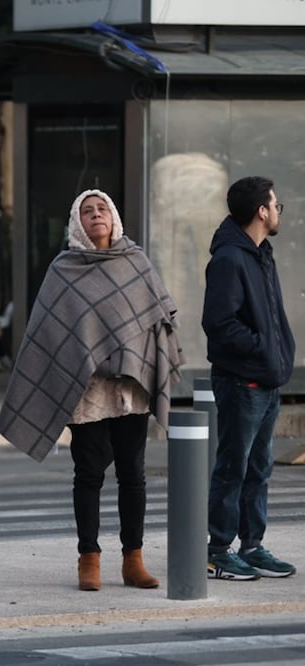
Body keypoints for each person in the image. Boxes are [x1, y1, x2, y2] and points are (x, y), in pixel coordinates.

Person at [0, 189, 183, 591]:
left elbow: (158, 320)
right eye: (87, 211)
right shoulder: (64, 269)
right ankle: (89, 559)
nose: (96, 215)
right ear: (75, 224)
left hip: (129, 387)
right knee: (89, 474)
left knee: (133, 475)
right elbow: (49, 332)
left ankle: (133, 559)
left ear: (114, 217)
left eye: (102, 209)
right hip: (90, 391)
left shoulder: (136, 262)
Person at [203, 176, 297, 581]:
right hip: (242, 382)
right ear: (262, 211)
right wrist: (261, 347)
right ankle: (219, 550)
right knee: (233, 468)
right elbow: (218, 324)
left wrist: (277, 352)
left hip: (266, 380)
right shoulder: (229, 259)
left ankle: (252, 546)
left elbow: (271, 316)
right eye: (276, 205)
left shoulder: (261, 254)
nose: (278, 212)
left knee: (259, 469)